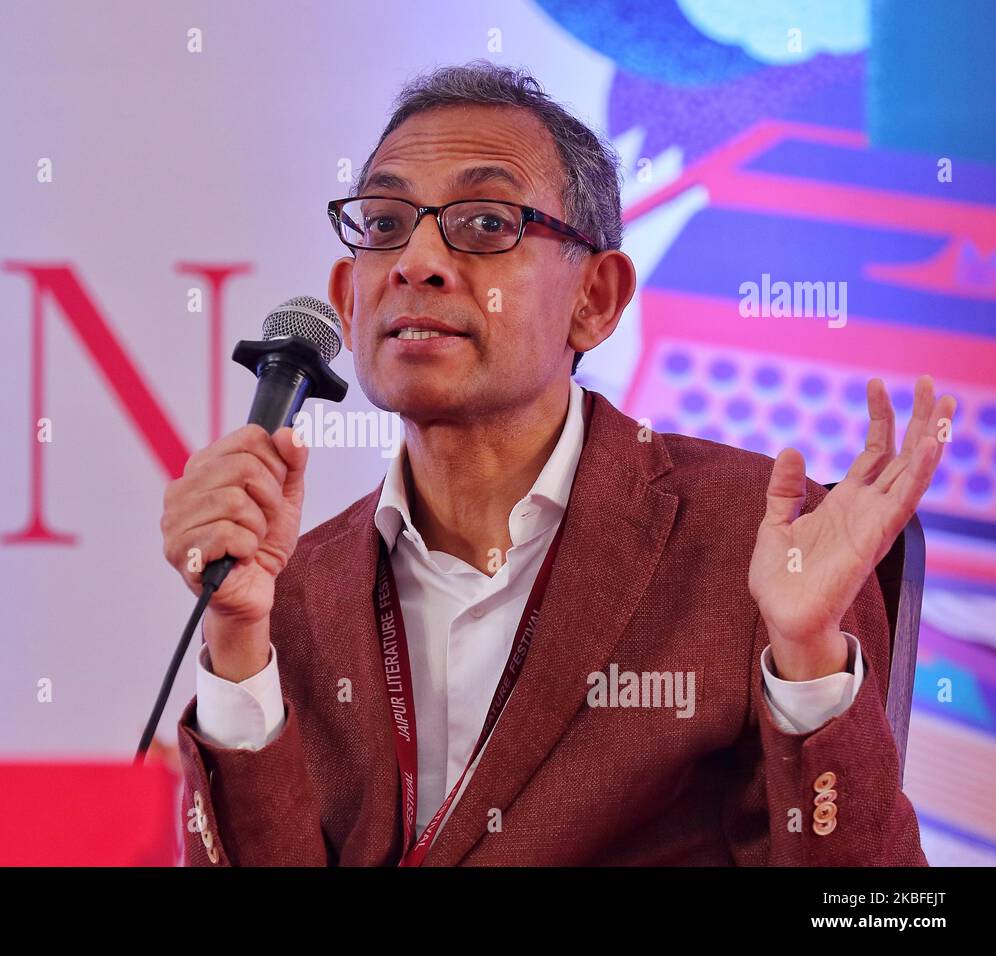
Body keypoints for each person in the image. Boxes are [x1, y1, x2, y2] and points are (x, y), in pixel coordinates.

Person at [160, 62, 950, 866]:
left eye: (485, 223)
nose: (416, 262)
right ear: (350, 299)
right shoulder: (286, 583)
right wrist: (237, 638)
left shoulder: (755, 537)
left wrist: (810, 658)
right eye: (387, 222)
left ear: (596, 300)